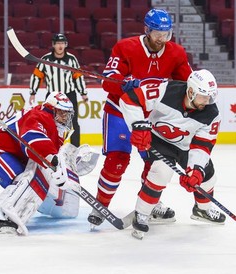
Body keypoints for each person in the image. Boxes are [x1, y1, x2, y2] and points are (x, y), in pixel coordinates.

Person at [87, 8, 193, 227]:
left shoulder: (176, 53)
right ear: (147, 31)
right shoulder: (126, 47)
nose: (162, 39)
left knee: (155, 162)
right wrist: (122, 82)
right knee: (117, 161)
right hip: (120, 111)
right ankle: (100, 204)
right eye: (157, 34)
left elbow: (187, 84)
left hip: (151, 117)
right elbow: (108, 80)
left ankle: (150, 203)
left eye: (166, 34)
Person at [118, 69, 226, 238]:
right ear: (190, 91)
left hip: (187, 146)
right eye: (203, 96)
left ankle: (203, 210)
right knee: (161, 173)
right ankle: (142, 214)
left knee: (207, 178)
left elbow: (203, 145)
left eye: (211, 96)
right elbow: (129, 99)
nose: (208, 101)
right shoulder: (166, 90)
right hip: (159, 141)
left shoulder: (211, 114)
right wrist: (138, 125)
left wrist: (195, 170)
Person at [0, 92, 96, 236]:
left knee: (27, 178)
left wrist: (67, 167)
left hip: (5, 154)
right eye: (62, 113)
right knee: (24, 181)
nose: (66, 117)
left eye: (68, 114)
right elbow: (33, 139)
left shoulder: (53, 127)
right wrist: (53, 161)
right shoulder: (39, 116)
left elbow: (54, 155)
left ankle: (6, 214)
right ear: (52, 109)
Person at [29, 33, 88, 147]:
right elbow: (37, 76)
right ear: (53, 45)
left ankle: (74, 150)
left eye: (62, 43)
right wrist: (33, 92)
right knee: (49, 122)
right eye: (58, 43)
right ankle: (50, 147)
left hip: (69, 95)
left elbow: (78, 76)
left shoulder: (71, 59)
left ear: (65, 45)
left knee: (73, 122)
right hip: (52, 96)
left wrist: (83, 93)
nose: (60, 46)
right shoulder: (46, 59)